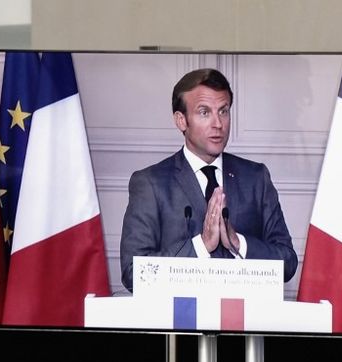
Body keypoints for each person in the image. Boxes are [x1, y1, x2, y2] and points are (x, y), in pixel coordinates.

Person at [119, 68, 297, 291]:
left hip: (243, 320)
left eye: (223, 111)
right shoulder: (150, 183)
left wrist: (238, 243)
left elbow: (288, 262)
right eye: (204, 113)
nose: (218, 124)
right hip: (180, 320)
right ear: (181, 120)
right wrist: (200, 246)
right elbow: (133, 273)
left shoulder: (256, 178)